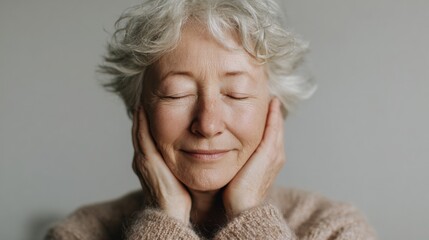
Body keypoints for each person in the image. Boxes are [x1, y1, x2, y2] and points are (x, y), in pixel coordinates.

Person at [46, 0, 376, 239]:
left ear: (275, 108)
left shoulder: (336, 228)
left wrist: (249, 211)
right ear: (138, 106)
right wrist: (166, 217)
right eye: (176, 94)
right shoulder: (79, 232)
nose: (207, 124)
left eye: (236, 94)